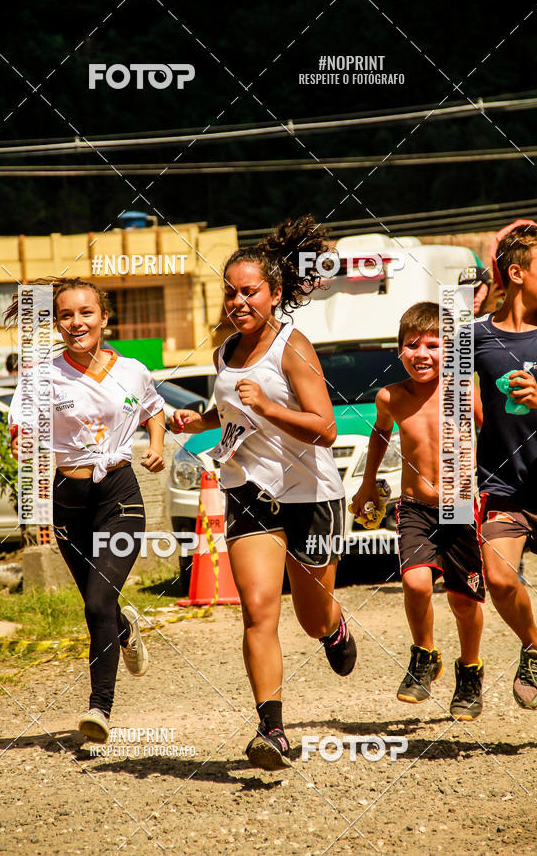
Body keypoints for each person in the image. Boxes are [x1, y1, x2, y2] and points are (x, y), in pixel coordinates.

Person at [170, 216, 356, 770]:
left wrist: (270, 407)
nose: (238, 301)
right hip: (248, 488)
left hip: (311, 493)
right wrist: (198, 420)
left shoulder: (293, 347)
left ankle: (333, 627)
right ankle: (272, 729)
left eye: (249, 291)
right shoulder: (224, 351)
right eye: (231, 292)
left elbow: (326, 428)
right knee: (257, 610)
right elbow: (229, 411)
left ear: (274, 293)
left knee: (310, 615)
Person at [6, 278, 166, 742]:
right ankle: (124, 629)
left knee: (98, 602)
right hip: (67, 501)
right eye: (66, 315)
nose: (76, 323)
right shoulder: (41, 376)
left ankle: (99, 710)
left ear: (104, 318)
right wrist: (20, 442)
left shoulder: (132, 370)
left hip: (119, 496)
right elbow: (20, 424)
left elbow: (153, 408)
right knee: (99, 606)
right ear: (57, 324)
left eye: (85, 313)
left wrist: (156, 444)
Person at [352, 302, 485, 721]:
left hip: (460, 507)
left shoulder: (464, 390)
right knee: (415, 584)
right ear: (399, 350)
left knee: (464, 600)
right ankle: (424, 655)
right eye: (412, 345)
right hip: (414, 507)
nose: (421, 353)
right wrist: (368, 482)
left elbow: (494, 430)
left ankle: (470, 671)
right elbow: (380, 433)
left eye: (433, 345)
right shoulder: (390, 397)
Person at [474, 222, 537, 710]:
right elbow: (447, 407)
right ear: (517, 274)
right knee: (500, 579)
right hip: (505, 488)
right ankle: (535, 646)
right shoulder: (474, 337)